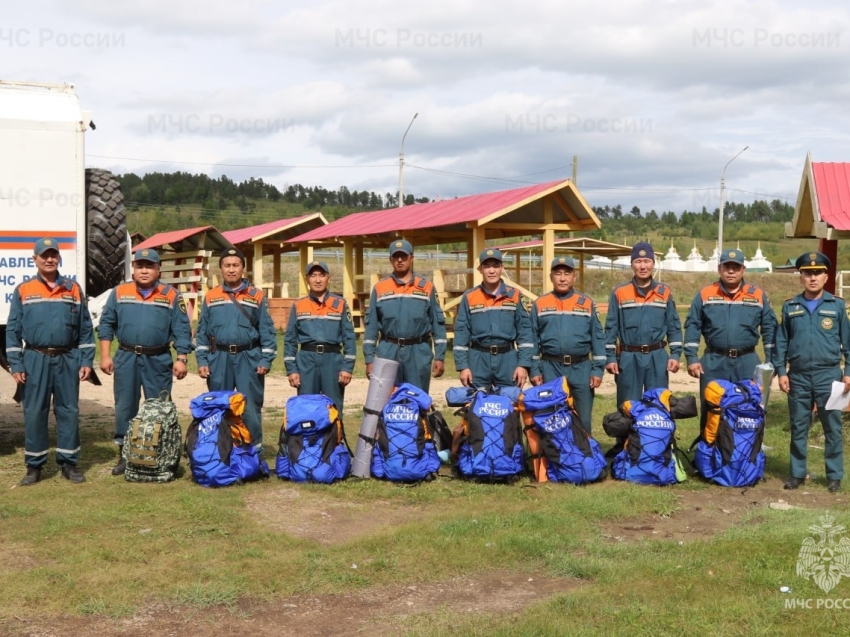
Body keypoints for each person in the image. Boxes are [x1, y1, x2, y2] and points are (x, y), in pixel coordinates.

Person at [5, 238, 95, 485]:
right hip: (35, 358)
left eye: (53, 254)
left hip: (67, 358)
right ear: (34, 259)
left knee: (68, 411)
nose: (49, 259)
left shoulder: (73, 288)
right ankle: (34, 466)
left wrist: (86, 360)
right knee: (34, 411)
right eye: (44, 255)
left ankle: (69, 463)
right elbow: (12, 330)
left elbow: (85, 328)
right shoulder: (23, 290)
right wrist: (17, 363)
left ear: (58, 258)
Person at [97, 248, 194, 475]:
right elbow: (106, 324)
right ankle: (125, 453)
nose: (144, 270)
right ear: (133, 269)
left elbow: (182, 330)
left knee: (159, 408)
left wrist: (181, 358)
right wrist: (104, 355)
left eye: (149, 266)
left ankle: (161, 451)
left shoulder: (171, 295)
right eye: (140, 266)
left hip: (158, 359)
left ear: (158, 269)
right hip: (126, 357)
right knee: (125, 406)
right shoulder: (119, 292)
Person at [775, 252, 850, 493]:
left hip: (830, 376)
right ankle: (797, 474)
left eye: (817, 273)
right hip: (797, 376)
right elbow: (781, 343)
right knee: (798, 426)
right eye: (808, 273)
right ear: (801, 277)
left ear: (826, 276)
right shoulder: (790, 306)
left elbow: (848, 344)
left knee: (833, 427)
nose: (813, 278)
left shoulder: (838, 306)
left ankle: (834, 476)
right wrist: (781, 371)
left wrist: (848, 372)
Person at [684, 248, 777, 431]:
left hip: (747, 361)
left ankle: (745, 453)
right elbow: (693, 325)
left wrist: (771, 362)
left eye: (736, 267)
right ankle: (708, 453)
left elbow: (770, 329)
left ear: (743, 270)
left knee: (748, 406)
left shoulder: (757, 295)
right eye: (727, 267)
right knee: (712, 407)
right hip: (714, 361)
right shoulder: (705, 294)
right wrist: (692, 359)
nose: (731, 271)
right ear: (719, 269)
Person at [196, 247, 277, 452]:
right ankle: (219, 449)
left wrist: (265, 359)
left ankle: (253, 452)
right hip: (219, 358)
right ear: (220, 269)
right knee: (218, 405)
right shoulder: (211, 296)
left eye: (235, 265)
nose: (231, 269)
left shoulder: (257, 296)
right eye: (227, 265)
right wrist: (202, 360)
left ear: (243, 268)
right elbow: (203, 331)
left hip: (248, 358)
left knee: (249, 407)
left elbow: (267, 330)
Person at [530, 256, 606, 432]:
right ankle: (554, 457)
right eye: (558, 274)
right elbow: (532, 339)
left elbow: (597, 338)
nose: (562, 278)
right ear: (551, 277)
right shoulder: (540, 304)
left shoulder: (587, 303)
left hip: (581, 368)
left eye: (567, 273)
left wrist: (597, 369)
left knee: (583, 419)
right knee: (551, 418)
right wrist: (534, 370)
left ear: (574, 277)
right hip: (550, 367)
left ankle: (584, 456)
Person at [604, 242, 682, 407]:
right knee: (627, 407)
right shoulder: (619, 292)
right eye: (638, 262)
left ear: (653, 264)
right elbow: (611, 328)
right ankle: (627, 435)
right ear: (632, 264)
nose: (643, 266)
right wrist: (610, 357)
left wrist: (675, 354)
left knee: (659, 405)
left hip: (657, 357)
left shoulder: (664, 292)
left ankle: (657, 434)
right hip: (628, 357)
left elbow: (673, 326)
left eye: (647, 261)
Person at [363, 239, 447, 392]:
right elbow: (371, 327)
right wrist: (369, 358)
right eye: (396, 257)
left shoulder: (427, 287)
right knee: (383, 401)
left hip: (418, 352)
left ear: (412, 258)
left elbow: (438, 324)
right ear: (390, 260)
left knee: (417, 401)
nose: (400, 260)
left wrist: (440, 356)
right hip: (388, 351)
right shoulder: (380, 288)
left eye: (404, 256)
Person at [453, 248, 534, 390]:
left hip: (507, 360)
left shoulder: (515, 296)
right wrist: (463, 365)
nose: (492, 271)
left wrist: (523, 364)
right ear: (480, 269)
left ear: (502, 268)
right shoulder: (469, 297)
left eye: (496, 266)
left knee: (509, 406)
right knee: (477, 407)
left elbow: (525, 333)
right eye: (487, 266)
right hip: (478, 360)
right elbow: (461, 333)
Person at [283, 261, 356, 410]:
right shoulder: (298, 305)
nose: (317, 280)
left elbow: (349, 337)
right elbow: (290, 340)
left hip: (332, 361)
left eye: (321, 275)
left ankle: (336, 434)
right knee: (306, 407)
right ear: (306, 279)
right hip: (306, 361)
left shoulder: (340, 303)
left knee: (333, 407)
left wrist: (347, 367)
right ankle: (307, 434)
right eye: (313, 275)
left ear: (328, 277)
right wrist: (292, 369)